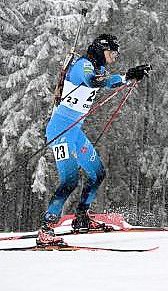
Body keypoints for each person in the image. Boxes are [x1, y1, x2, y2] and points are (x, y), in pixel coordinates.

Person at [37, 34, 150, 246]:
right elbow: (92, 81)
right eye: (111, 53)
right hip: (60, 130)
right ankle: (46, 229)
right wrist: (125, 75)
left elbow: (106, 81)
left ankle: (82, 218)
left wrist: (131, 76)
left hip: (75, 132)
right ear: (100, 50)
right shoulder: (83, 65)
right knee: (70, 180)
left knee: (97, 173)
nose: (114, 57)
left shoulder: (98, 69)